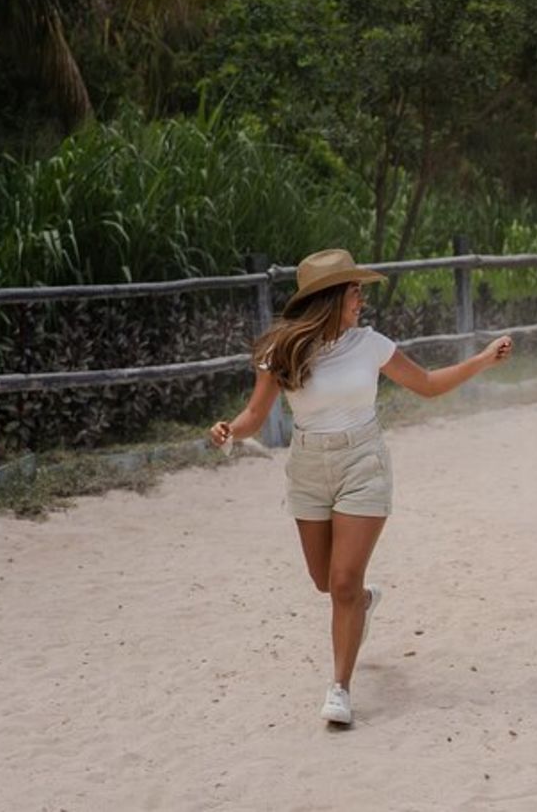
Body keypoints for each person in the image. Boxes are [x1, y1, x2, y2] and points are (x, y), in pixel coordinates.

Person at [209, 249, 513, 726]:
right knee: (325, 582)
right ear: (331, 297)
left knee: (344, 583)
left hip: (363, 462)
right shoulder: (282, 352)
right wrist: (230, 430)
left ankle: (340, 688)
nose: (361, 300)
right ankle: (364, 603)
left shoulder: (370, 344)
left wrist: (480, 361)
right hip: (308, 467)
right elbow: (254, 415)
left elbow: (428, 384)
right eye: (354, 292)